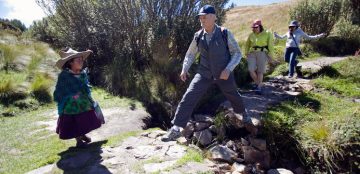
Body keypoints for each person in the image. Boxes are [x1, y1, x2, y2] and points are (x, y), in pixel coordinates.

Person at [161, 5, 254, 142]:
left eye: (205, 17)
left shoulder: (224, 33)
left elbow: (237, 53)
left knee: (233, 94)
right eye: (200, 17)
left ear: (214, 17)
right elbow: (190, 54)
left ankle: (243, 113)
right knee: (189, 96)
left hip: (223, 73)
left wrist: (228, 69)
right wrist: (185, 68)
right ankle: (175, 129)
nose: (202, 19)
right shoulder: (198, 36)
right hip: (204, 73)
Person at [53, 48, 102, 148]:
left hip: (83, 100)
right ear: (70, 62)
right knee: (74, 116)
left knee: (85, 116)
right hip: (70, 104)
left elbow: (85, 87)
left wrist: (87, 97)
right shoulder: (64, 76)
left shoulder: (82, 73)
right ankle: (78, 140)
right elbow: (60, 91)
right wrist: (71, 96)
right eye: (78, 60)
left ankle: (82, 135)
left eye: (81, 60)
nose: (81, 62)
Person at [244, 19, 274, 95]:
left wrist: (271, 56)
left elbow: (270, 45)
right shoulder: (251, 34)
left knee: (260, 71)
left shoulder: (268, 33)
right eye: (253, 27)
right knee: (251, 69)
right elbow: (247, 44)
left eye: (256, 27)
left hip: (262, 53)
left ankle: (258, 87)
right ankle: (259, 84)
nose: (254, 29)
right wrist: (246, 52)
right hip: (252, 53)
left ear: (260, 26)